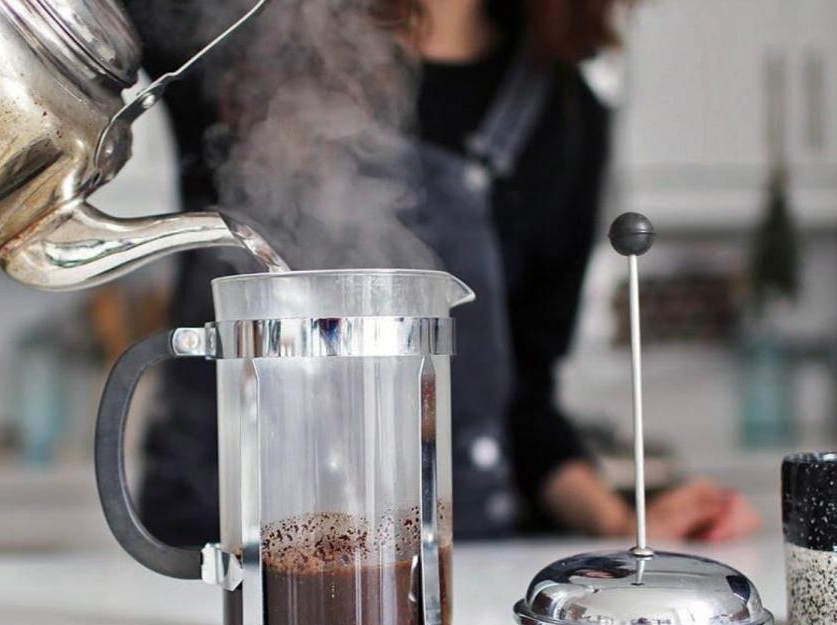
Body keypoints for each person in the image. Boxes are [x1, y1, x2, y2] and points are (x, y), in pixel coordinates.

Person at [123, 0, 760, 544]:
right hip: (220, 551)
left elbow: (522, 395)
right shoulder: (246, 34)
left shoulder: (561, 118)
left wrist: (620, 523)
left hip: (444, 561)